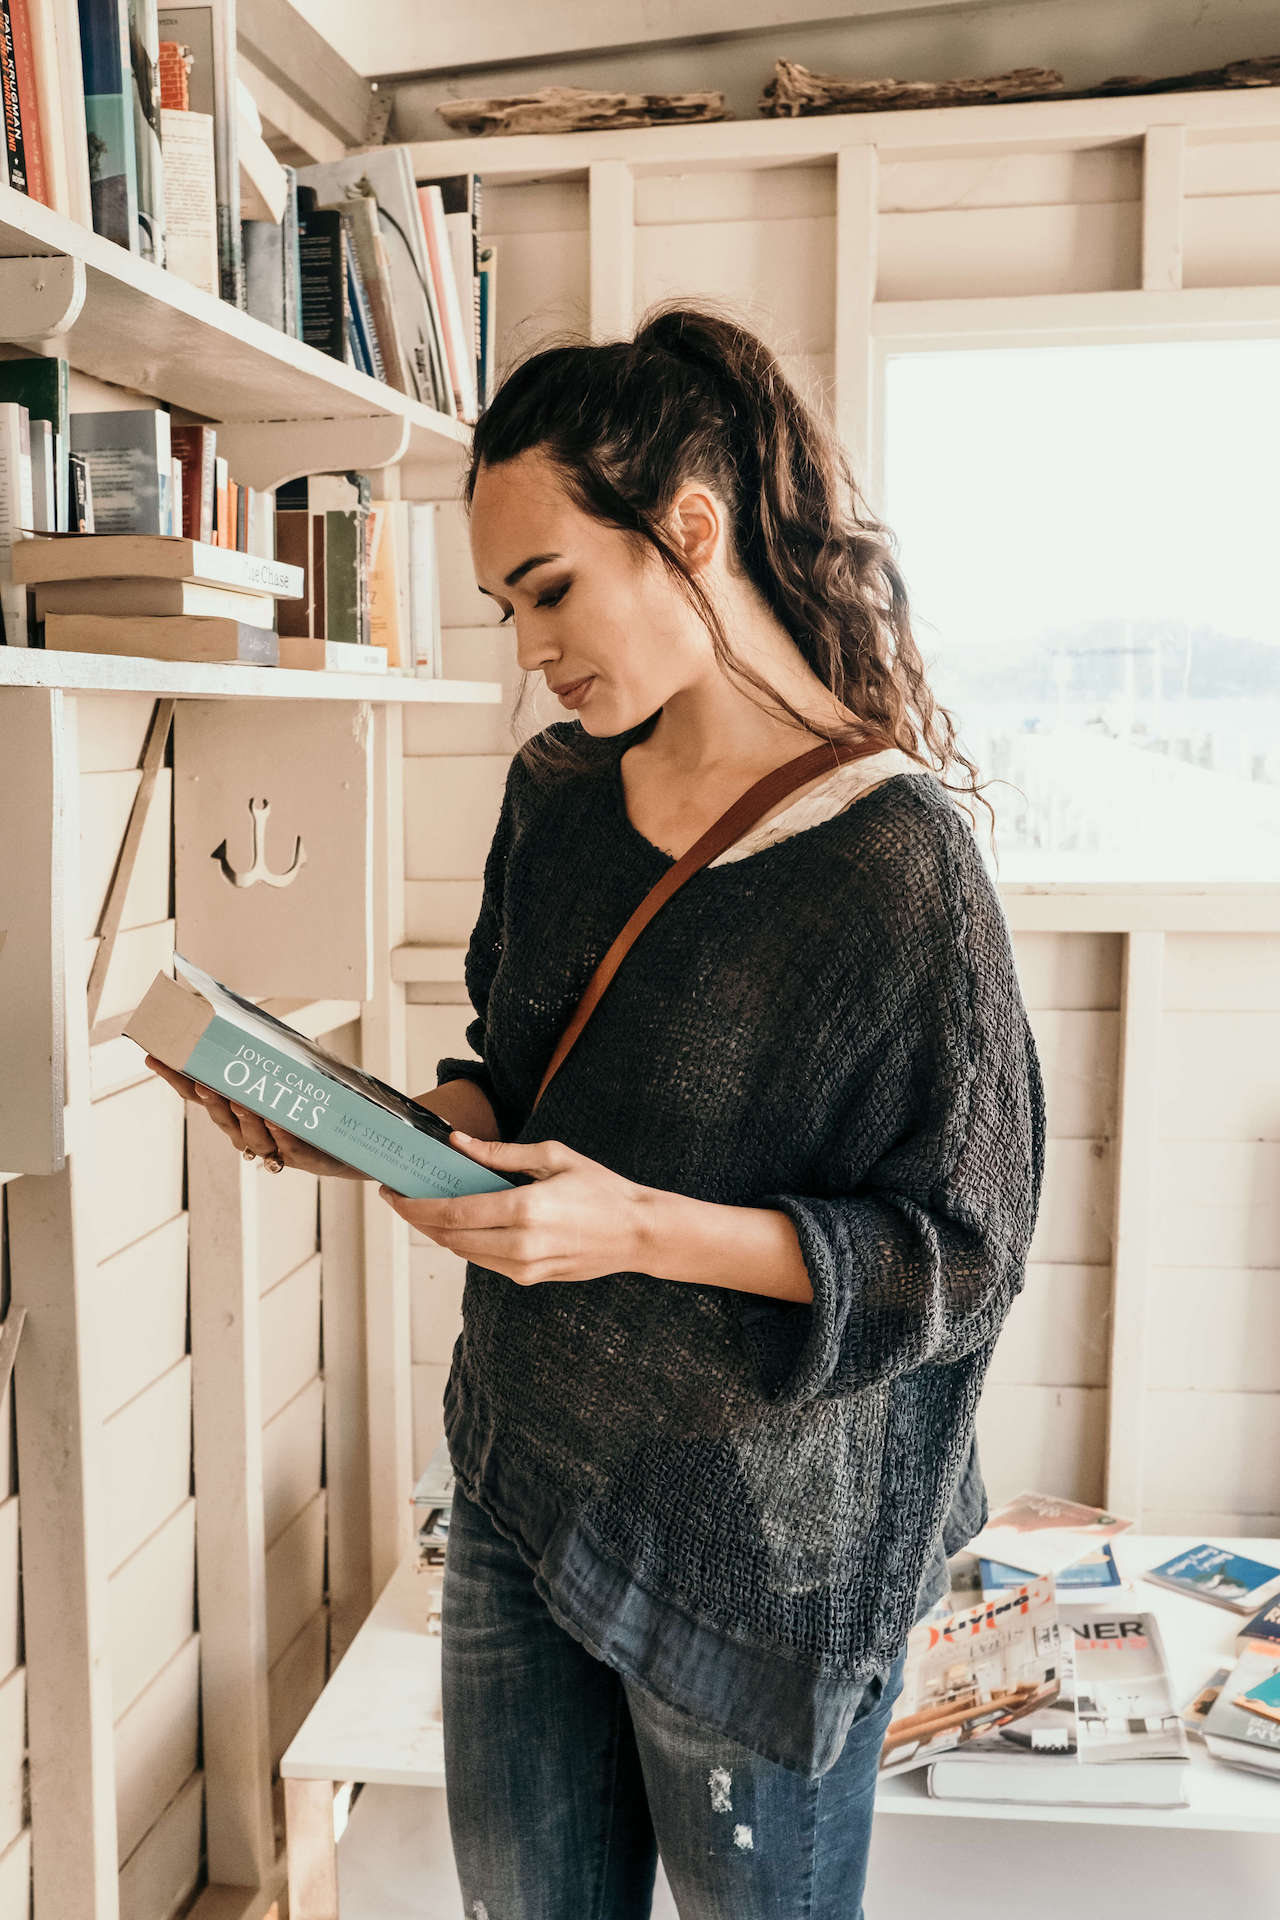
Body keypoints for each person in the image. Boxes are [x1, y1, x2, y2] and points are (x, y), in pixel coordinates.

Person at [147, 298, 1046, 1920]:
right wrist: (378, 1118)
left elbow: (957, 1253)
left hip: (759, 1555)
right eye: (505, 604)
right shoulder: (560, 795)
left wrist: (628, 1223)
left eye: (551, 587)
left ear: (690, 532)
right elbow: (512, 1062)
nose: (531, 650)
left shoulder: (896, 865)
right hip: (522, 1473)